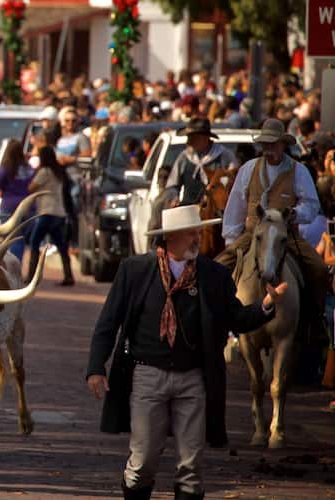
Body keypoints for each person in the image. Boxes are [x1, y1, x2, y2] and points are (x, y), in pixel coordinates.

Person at [86, 204, 282, 500]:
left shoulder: (213, 275)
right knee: (143, 462)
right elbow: (108, 322)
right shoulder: (136, 270)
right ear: (171, 237)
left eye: (198, 233)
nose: (197, 239)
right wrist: (96, 368)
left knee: (191, 467)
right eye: (192, 234)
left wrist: (267, 304)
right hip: (147, 375)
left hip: (193, 378)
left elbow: (237, 318)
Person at [215, 118, 329, 353]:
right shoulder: (248, 169)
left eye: (273, 145)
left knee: (318, 269)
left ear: (283, 145)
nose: (269, 150)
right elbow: (235, 205)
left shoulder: (298, 171)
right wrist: (231, 240)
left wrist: (294, 214)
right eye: (265, 145)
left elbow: (312, 204)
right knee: (218, 268)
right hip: (253, 232)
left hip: (285, 234)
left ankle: (314, 322)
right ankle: (218, 323)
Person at [28, 140, 74, 286]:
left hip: (46, 212)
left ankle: (31, 277)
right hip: (59, 213)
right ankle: (68, 275)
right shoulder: (58, 171)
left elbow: (31, 188)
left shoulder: (44, 171)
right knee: (61, 246)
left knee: (34, 242)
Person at [0, 140, 35, 259]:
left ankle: (12, 269)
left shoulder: (6, 168)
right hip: (28, 208)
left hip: (9, 207)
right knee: (20, 239)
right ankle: (17, 265)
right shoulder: (29, 169)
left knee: (10, 239)